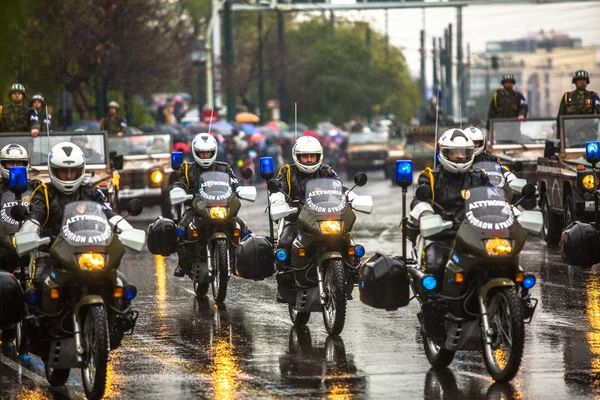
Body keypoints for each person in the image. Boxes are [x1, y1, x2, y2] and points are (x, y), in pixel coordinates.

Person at [22, 142, 130, 291]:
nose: (69, 175)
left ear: (80, 170)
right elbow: (35, 217)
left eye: (73, 171)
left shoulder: (90, 190)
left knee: (120, 284)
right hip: (51, 255)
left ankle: (120, 314)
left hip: (87, 252)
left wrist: (127, 230)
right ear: (53, 170)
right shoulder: (44, 193)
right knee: (40, 285)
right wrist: (27, 234)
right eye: (63, 171)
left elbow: (108, 212)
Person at [410, 129, 489, 285]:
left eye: (464, 152)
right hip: (442, 238)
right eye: (454, 153)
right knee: (436, 266)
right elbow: (418, 200)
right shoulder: (431, 177)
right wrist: (426, 213)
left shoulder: (480, 176)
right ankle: (433, 305)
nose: (460, 156)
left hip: (476, 237)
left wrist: (510, 210)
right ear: (443, 152)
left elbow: (494, 198)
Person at [269, 136, 339, 301]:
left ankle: (349, 273)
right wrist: (278, 201)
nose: (308, 160)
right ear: (297, 156)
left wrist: (353, 198)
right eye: (305, 157)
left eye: (312, 156)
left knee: (346, 239)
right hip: (296, 219)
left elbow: (340, 188)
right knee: (284, 244)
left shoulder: (326, 171)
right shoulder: (287, 171)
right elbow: (278, 190)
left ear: (318, 156)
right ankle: (285, 284)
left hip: (323, 218)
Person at [170, 133, 248, 277]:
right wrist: (178, 190)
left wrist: (240, 190)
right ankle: (182, 263)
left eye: (208, 153)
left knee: (243, 227)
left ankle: (239, 260)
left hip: (220, 206)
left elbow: (234, 182)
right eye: (202, 153)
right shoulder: (187, 169)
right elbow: (178, 183)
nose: (205, 156)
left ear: (214, 152)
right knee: (181, 229)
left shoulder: (224, 168)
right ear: (195, 152)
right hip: (196, 208)